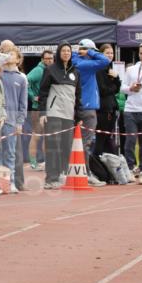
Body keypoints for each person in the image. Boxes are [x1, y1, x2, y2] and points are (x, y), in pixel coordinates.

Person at [38, 43, 82, 188]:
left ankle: (63, 173)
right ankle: (51, 178)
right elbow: (43, 93)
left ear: (71, 53)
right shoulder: (50, 70)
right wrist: (43, 112)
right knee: (53, 145)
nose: (66, 53)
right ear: (59, 53)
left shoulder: (75, 72)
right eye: (63, 50)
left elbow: (78, 96)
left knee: (66, 146)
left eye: (68, 51)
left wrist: (79, 116)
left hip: (69, 115)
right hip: (53, 113)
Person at [71, 39, 111, 158]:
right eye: (93, 51)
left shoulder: (76, 61)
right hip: (87, 108)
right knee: (86, 143)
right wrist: (90, 52)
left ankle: (78, 171)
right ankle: (85, 173)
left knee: (79, 141)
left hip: (80, 106)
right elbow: (105, 60)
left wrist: (84, 52)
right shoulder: (85, 65)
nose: (94, 55)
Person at [0, 48, 28, 192]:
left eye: (12, 54)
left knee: (10, 153)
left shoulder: (22, 78)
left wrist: (20, 122)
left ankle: (10, 182)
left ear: (18, 59)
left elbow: (23, 104)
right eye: (7, 53)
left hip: (11, 121)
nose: (8, 56)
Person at [121, 41, 142, 184]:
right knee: (130, 141)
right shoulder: (131, 70)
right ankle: (130, 169)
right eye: (141, 53)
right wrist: (131, 88)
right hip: (131, 110)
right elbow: (122, 88)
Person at [26, 50, 54, 168]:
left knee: (47, 137)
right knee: (36, 136)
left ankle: (46, 162)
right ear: (42, 59)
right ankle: (33, 163)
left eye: (51, 58)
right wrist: (33, 97)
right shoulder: (38, 70)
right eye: (46, 58)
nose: (48, 60)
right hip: (38, 109)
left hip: (49, 108)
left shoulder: (52, 70)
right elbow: (26, 81)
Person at [95, 42, 121, 156]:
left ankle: (105, 166)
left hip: (111, 109)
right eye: (107, 53)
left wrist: (116, 80)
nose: (110, 55)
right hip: (102, 110)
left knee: (107, 139)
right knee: (101, 139)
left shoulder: (110, 68)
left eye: (111, 53)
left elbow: (117, 89)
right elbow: (103, 90)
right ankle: (96, 164)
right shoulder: (99, 69)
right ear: (101, 54)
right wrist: (115, 83)